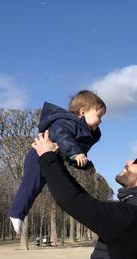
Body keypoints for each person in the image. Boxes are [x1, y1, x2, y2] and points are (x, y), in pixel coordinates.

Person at [31, 130, 137, 259]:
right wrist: (57, 162)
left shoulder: (131, 217)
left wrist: (47, 156)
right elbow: (83, 199)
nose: (128, 161)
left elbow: (73, 200)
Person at [8, 90, 106, 233]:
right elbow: (63, 138)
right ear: (83, 111)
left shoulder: (81, 132)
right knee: (31, 184)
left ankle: (20, 214)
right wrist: (76, 153)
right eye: (99, 116)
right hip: (38, 155)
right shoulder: (66, 123)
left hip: (53, 158)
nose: (101, 121)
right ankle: (16, 213)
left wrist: (86, 165)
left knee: (38, 187)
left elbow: (71, 156)